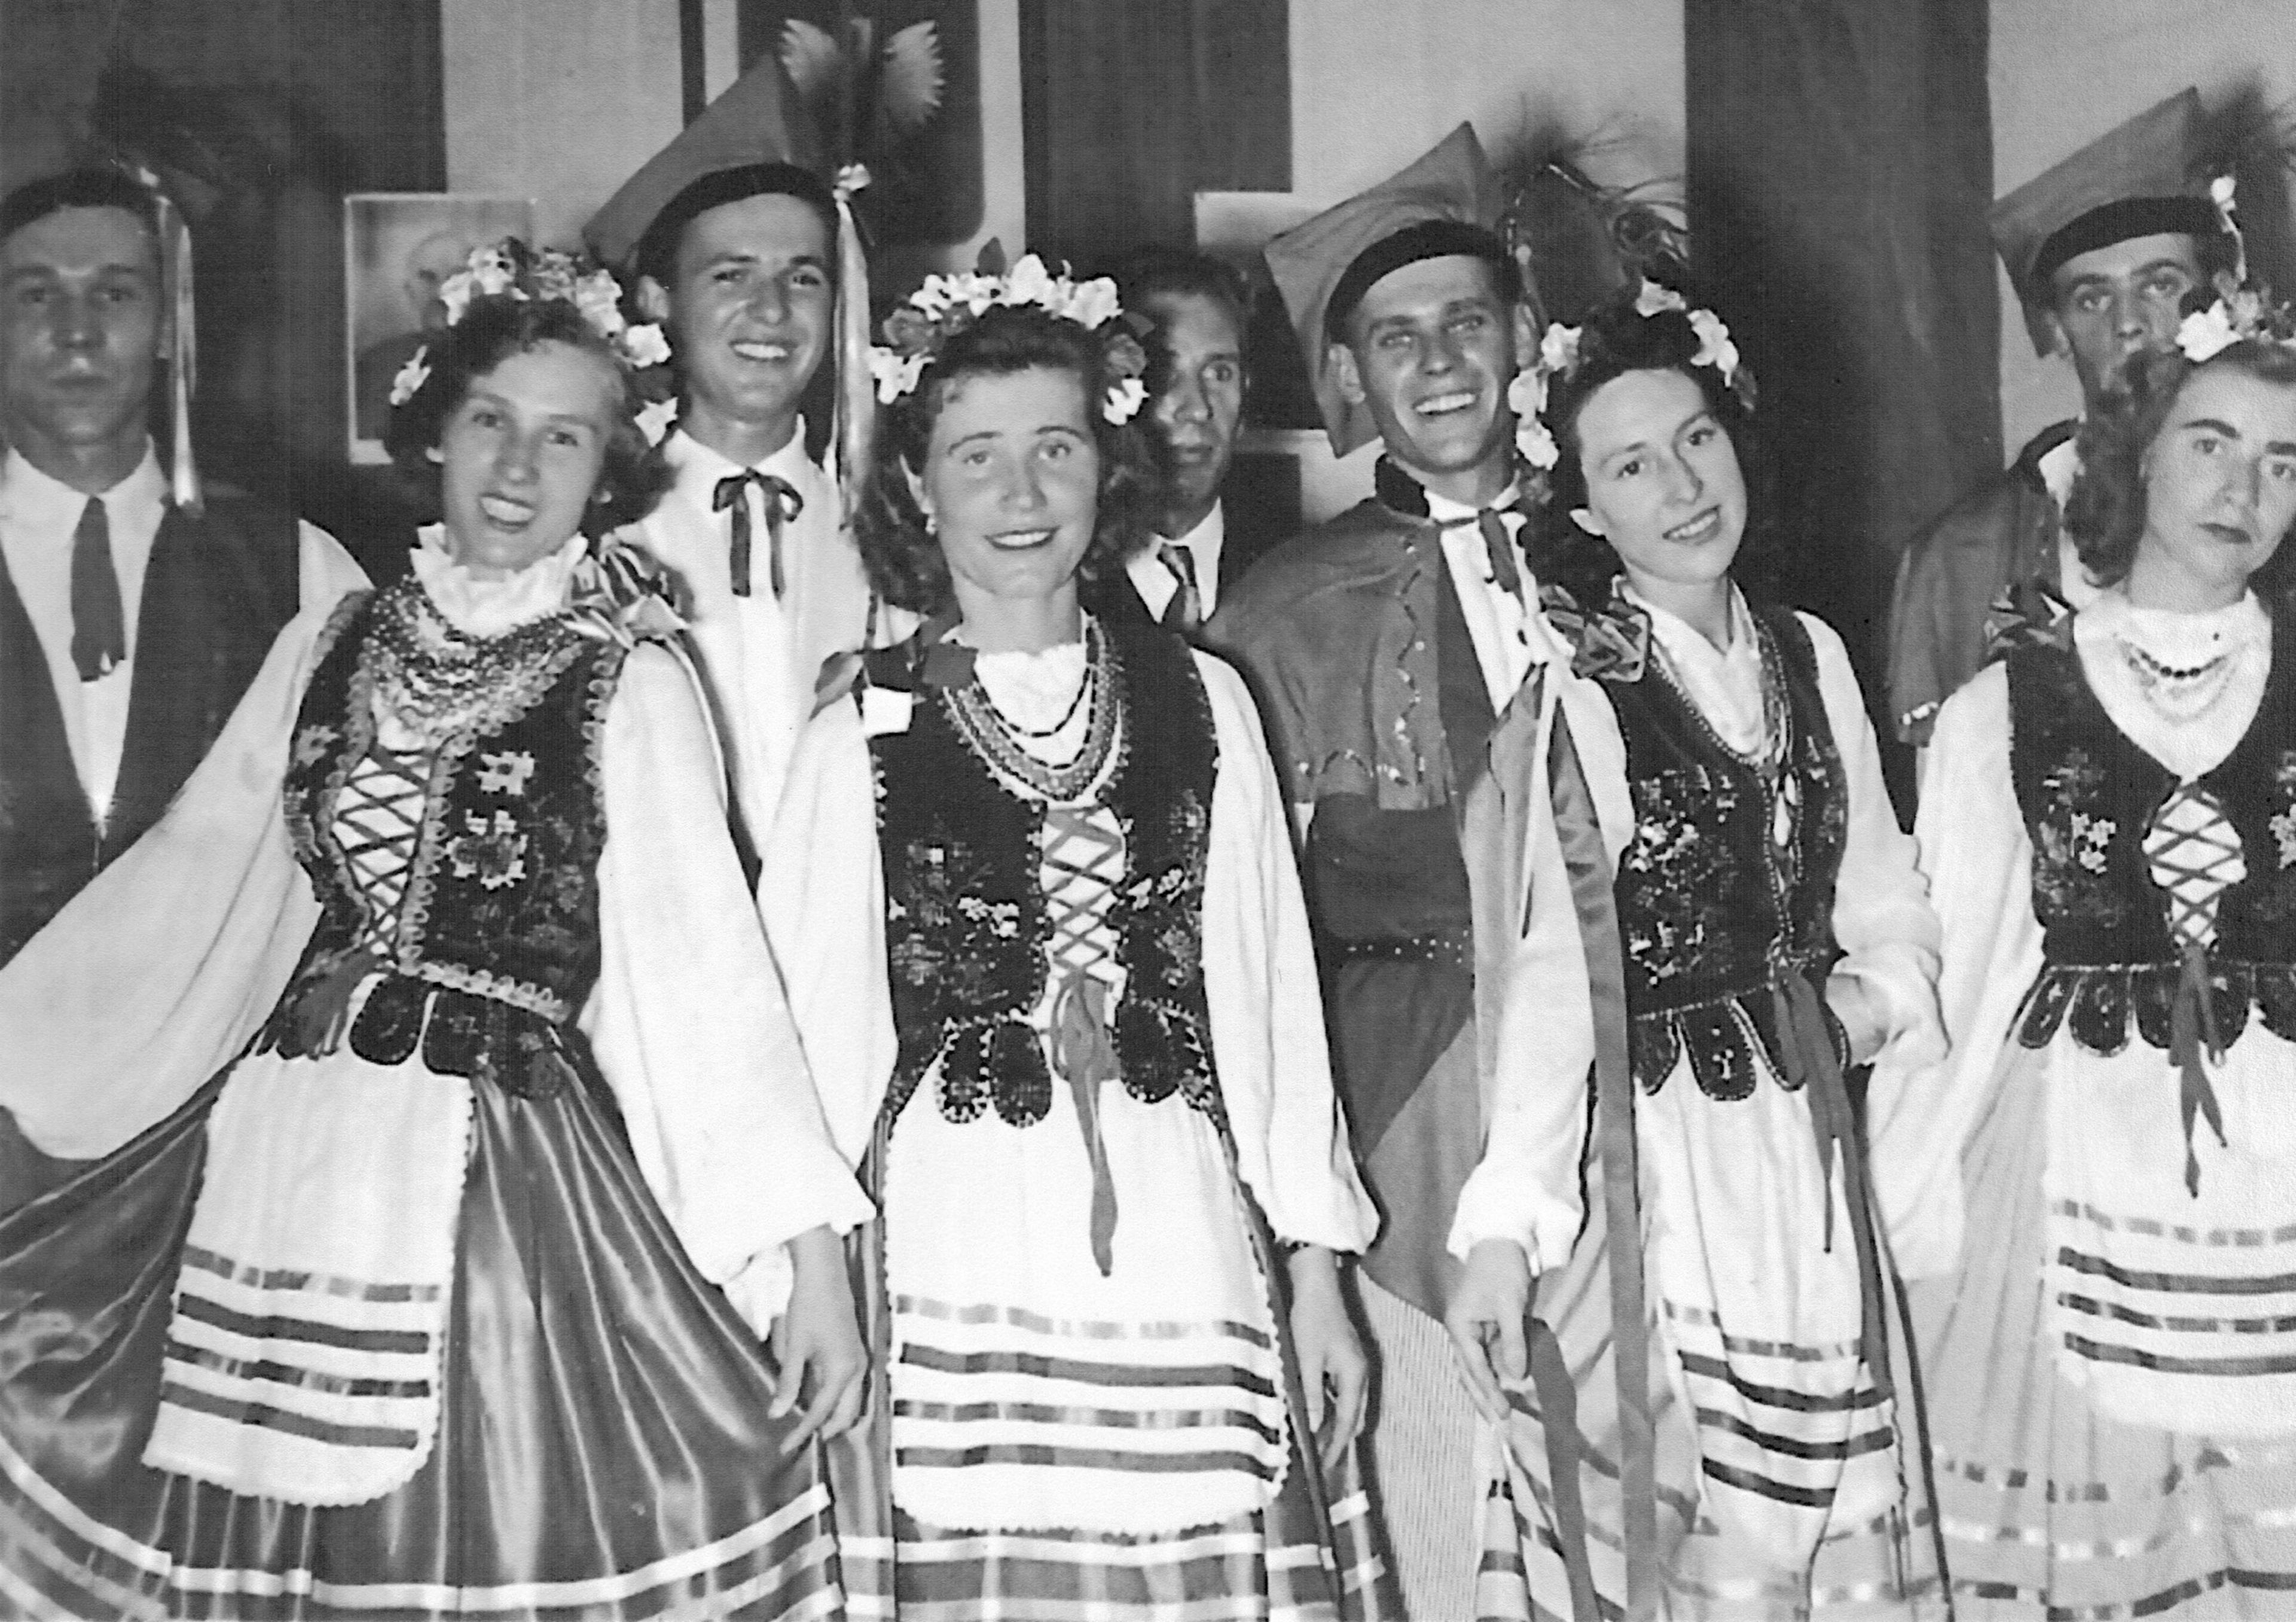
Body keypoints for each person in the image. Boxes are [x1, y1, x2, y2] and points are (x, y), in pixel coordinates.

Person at [0, 247, 872, 1619]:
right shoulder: (331, 639)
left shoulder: (625, 680)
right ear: (437, 428)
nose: (519, 466)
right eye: (491, 422)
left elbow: (702, 977)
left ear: (609, 471)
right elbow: (200, 876)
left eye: (564, 435)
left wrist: (805, 1253)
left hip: (500, 1177)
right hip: (282, 1161)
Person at [765, 261, 1391, 1618]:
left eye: (1054, 449)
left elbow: (1265, 989)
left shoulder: (1198, 697)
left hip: (1175, 1225)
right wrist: (815, 1272)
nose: (1018, 492)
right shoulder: (858, 726)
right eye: (974, 456)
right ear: (917, 489)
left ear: (1104, 470)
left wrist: (1316, 1266)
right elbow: (808, 1030)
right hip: (953, 1231)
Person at [1438, 278, 1949, 1619]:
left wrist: (1865, 1006)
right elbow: (1557, 981)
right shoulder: (1583, 700)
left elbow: (1888, 897)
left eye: (1697, 439)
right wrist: (1508, 1229)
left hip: (1807, 1162)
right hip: (1659, 1164)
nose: (1679, 485)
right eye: (1630, 465)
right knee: (1672, 1525)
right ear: (1585, 508)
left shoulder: (1814, 654)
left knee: (1827, 1508)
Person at [1214, 123, 1647, 1619]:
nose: (1441, 360)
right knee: (1444, 1490)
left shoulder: (1636, 541)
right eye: (1395, 338)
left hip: (1650, 1089)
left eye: (1468, 319)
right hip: (1404, 1098)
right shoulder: (1276, 607)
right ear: (1349, 382)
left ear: (1527, 335)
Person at [1870, 296, 2296, 1616]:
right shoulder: (2016, 696)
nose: (2246, 488)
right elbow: (1955, 960)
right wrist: (1903, 1198)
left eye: (2287, 463)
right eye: (2214, 444)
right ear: (2141, 455)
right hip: (2055, 1180)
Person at [0, 165, 367, 1209]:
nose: (77, 330)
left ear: (170, 326)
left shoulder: (301, 574)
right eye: (36, 294)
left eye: (114, 292)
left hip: (230, 1159)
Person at [585, 57, 896, 850]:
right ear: (660, 300)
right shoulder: (598, 528)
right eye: (731, 276)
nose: (772, 312)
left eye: (803, 278)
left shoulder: (893, 523)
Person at [1887, 89, 2233, 748]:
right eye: (2091, 297)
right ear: (2056, 330)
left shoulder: (2271, 511)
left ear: (2217, 297)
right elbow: (1941, 823)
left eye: (2160, 283)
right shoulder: (1965, 555)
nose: (2128, 324)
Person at [1094, 247, 1257, 635]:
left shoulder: (1297, 573)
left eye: (1219, 373)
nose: (1197, 408)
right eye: (1162, 373)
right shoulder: (1057, 584)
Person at [353, 227, 471, 443]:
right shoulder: (377, 364)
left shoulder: (502, 359)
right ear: (409, 292)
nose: (440, 292)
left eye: (456, 278)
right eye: (428, 278)